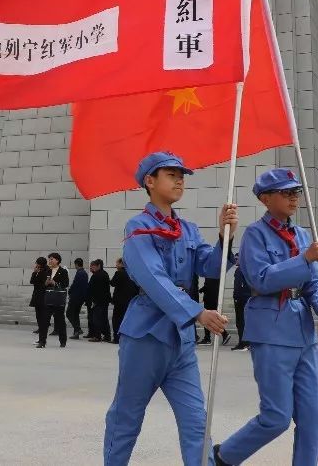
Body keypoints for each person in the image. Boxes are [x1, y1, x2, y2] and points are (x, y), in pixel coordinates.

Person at [102, 151, 238, 466]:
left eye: (182, 175)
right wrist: (197, 313)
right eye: (171, 174)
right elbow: (154, 279)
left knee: (196, 422)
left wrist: (224, 236)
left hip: (181, 342)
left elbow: (210, 265)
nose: (179, 180)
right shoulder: (138, 227)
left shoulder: (188, 229)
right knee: (127, 417)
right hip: (145, 337)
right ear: (150, 181)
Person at [215, 169, 318, 466]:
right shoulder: (254, 235)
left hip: (303, 333)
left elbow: (312, 284)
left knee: (312, 418)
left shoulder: (303, 236)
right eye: (285, 192)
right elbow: (261, 280)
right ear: (265, 198)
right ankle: (223, 456)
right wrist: (304, 258)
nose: (293, 197)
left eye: (295, 191)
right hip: (270, 331)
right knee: (276, 417)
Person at [37, 252, 69, 349]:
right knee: (44, 321)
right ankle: (42, 341)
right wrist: (46, 284)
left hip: (58, 299)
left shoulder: (63, 271)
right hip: (48, 299)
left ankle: (63, 341)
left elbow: (65, 284)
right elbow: (41, 285)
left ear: (57, 260)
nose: (50, 261)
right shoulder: (46, 271)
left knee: (60, 321)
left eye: (52, 259)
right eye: (49, 259)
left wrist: (55, 283)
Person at [109, 257, 137, 345]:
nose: (116, 265)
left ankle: (117, 337)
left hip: (120, 301)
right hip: (130, 300)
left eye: (117, 263)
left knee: (116, 319)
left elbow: (112, 283)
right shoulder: (132, 273)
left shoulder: (119, 273)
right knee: (127, 319)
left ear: (121, 264)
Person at [86, 259, 111, 343]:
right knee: (103, 319)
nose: (92, 268)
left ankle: (97, 336)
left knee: (96, 319)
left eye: (93, 266)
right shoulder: (104, 274)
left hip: (98, 301)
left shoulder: (97, 275)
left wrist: (94, 300)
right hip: (104, 300)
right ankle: (107, 336)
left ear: (98, 266)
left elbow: (95, 289)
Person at [231, 256, 251, 351]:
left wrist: (237, 296)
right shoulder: (244, 269)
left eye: (237, 258)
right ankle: (243, 342)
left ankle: (243, 343)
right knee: (242, 322)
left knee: (241, 321)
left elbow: (239, 286)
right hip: (243, 297)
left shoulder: (241, 270)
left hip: (241, 298)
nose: (235, 260)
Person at [66, 257, 88, 339]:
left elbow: (75, 286)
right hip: (80, 297)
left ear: (76, 264)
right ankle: (76, 333)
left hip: (76, 297)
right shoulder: (83, 273)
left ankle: (78, 329)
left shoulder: (80, 273)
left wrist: (70, 292)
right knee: (75, 315)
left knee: (69, 313)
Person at [28, 256, 48, 339]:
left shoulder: (45, 271)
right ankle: (40, 328)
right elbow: (32, 281)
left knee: (41, 315)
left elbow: (36, 282)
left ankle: (42, 329)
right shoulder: (39, 271)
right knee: (38, 314)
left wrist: (35, 273)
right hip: (37, 295)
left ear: (39, 264)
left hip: (42, 295)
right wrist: (34, 272)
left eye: (37, 263)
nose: (36, 264)